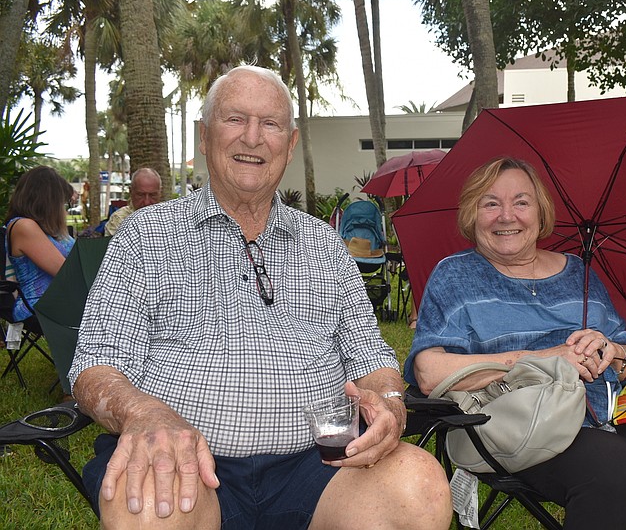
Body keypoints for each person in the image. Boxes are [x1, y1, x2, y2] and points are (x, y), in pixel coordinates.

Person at [69, 65, 451, 530]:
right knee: (151, 506)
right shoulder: (144, 238)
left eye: (270, 124)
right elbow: (95, 365)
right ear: (206, 137)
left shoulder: (325, 245)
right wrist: (144, 413)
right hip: (187, 455)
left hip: (321, 465)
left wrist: (389, 400)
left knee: (419, 485)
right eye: (235, 119)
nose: (252, 138)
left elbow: (370, 355)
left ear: (289, 146)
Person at [404, 157, 626, 530]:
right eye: (491, 203)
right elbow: (428, 371)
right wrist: (543, 359)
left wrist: (611, 351)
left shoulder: (578, 272)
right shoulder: (456, 275)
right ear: (473, 215)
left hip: (603, 418)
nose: (507, 216)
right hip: (516, 425)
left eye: (521, 202)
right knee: (615, 467)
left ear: (540, 213)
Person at [4, 165, 76, 323]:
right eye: (62, 202)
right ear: (48, 200)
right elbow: (66, 273)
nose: (63, 209)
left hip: (61, 302)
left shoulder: (46, 229)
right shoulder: (24, 227)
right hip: (38, 306)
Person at [104, 167, 162, 236]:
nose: (147, 202)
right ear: (131, 192)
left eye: (152, 195)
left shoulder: (169, 218)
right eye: (141, 195)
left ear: (160, 193)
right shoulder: (119, 219)